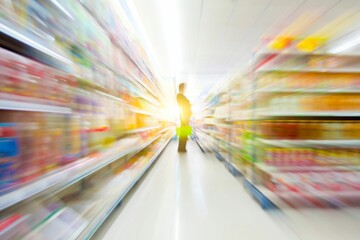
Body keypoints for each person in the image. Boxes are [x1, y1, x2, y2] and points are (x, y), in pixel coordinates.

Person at [176, 83, 192, 152]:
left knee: (184, 132)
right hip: (184, 116)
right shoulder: (179, 95)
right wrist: (184, 116)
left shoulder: (181, 95)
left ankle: (182, 148)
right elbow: (182, 106)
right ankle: (181, 148)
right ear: (182, 88)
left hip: (185, 115)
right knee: (183, 132)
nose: (185, 89)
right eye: (184, 87)